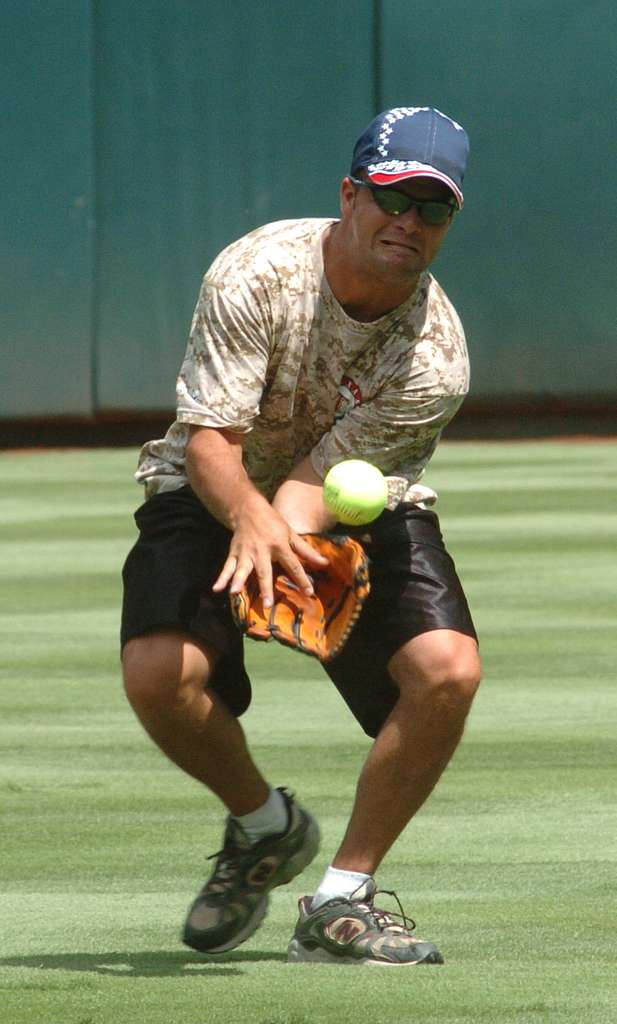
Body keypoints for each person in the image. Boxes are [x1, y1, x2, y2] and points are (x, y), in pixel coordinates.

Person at [121, 105, 481, 967]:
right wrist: (249, 526)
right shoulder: (257, 271)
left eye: (432, 209)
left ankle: (341, 899)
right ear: (351, 194)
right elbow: (212, 442)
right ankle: (262, 827)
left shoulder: (435, 357)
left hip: (345, 501)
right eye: (394, 198)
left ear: (448, 224)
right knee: (157, 675)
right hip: (206, 484)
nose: (409, 223)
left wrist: (283, 542)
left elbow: (318, 485)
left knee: (447, 672)